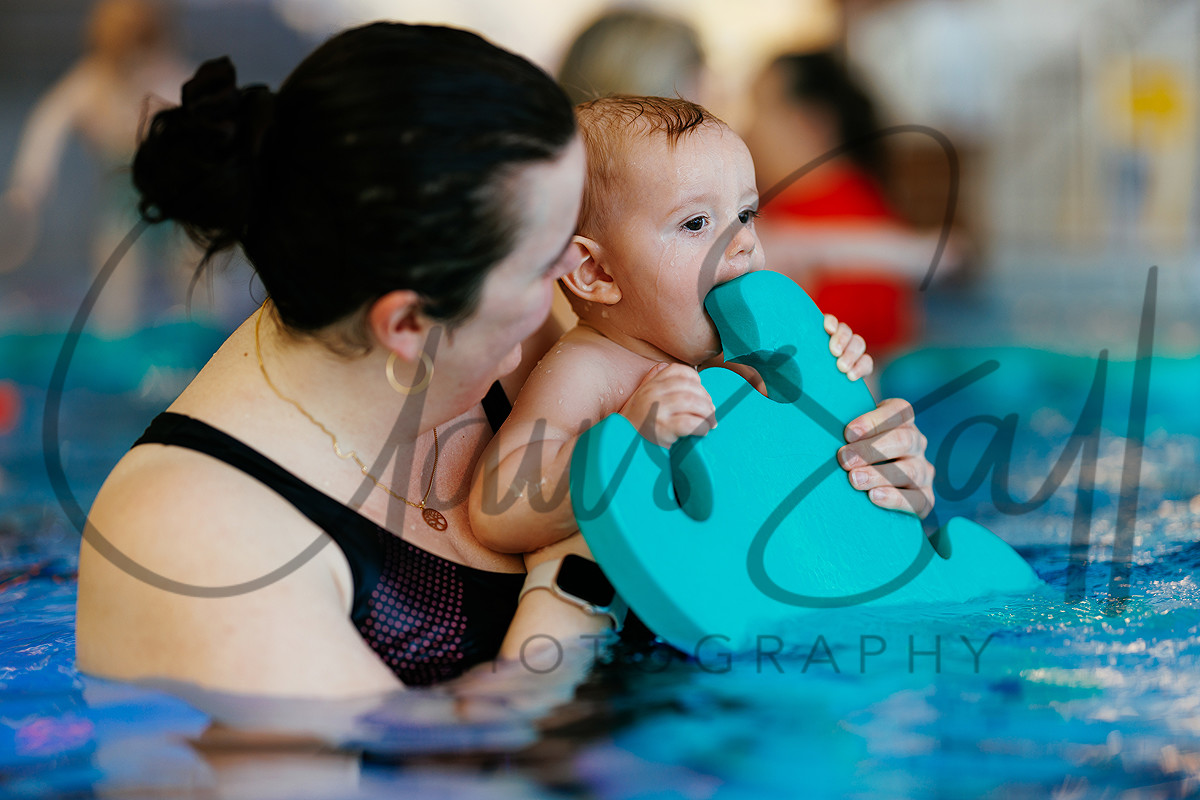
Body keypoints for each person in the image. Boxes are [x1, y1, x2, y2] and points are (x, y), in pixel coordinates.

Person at [77, 24, 935, 700]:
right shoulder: (198, 541)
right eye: (544, 262)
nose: (576, 280)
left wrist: (860, 466)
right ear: (408, 324)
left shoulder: (537, 320)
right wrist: (571, 594)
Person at [469, 96, 933, 570]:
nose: (744, 242)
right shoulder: (588, 369)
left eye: (746, 215)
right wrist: (631, 438)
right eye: (695, 223)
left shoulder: (734, 366)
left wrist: (837, 389)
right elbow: (496, 510)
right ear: (597, 272)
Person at [743, 51, 958, 361]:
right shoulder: (767, 206)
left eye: (759, 108)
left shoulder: (861, 222)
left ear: (811, 122)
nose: (746, 129)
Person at [0, 0, 196, 332]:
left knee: (196, 286)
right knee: (116, 303)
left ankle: (202, 334)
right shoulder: (92, 84)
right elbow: (47, 126)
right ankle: (119, 339)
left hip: (180, 208)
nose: (136, 68)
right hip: (121, 211)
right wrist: (28, 187)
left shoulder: (174, 79)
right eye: (125, 58)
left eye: (145, 54)